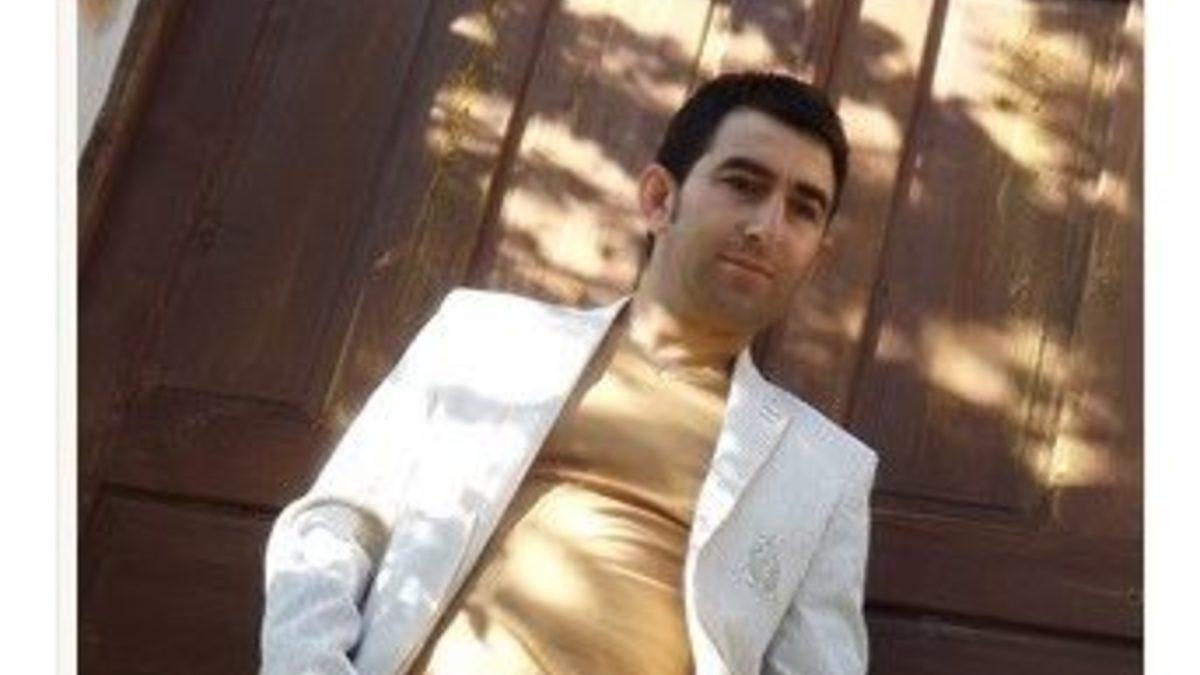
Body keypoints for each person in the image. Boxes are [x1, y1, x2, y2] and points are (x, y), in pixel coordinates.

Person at [260, 71, 878, 675]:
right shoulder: (482, 336)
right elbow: (336, 525)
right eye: (743, 184)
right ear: (660, 200)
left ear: (816, 256)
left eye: (803, 210)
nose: (767, 227)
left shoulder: (825, 470)